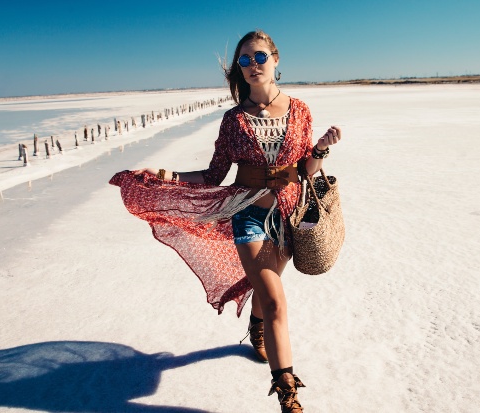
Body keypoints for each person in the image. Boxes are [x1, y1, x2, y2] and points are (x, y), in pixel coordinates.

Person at [110, 30, 341, 413]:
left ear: (276, 60)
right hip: (247, 215)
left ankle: (257, 327)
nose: (252, 66)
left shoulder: (300, 110)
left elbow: (304, 169)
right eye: (245, 61)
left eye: (259, 57)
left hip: (288, 214)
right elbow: (214, 174)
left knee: (268, 289)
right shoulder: (233, 121)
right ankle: (289, 395)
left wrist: (320, 149)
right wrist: (166, 175)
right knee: (275, 300)